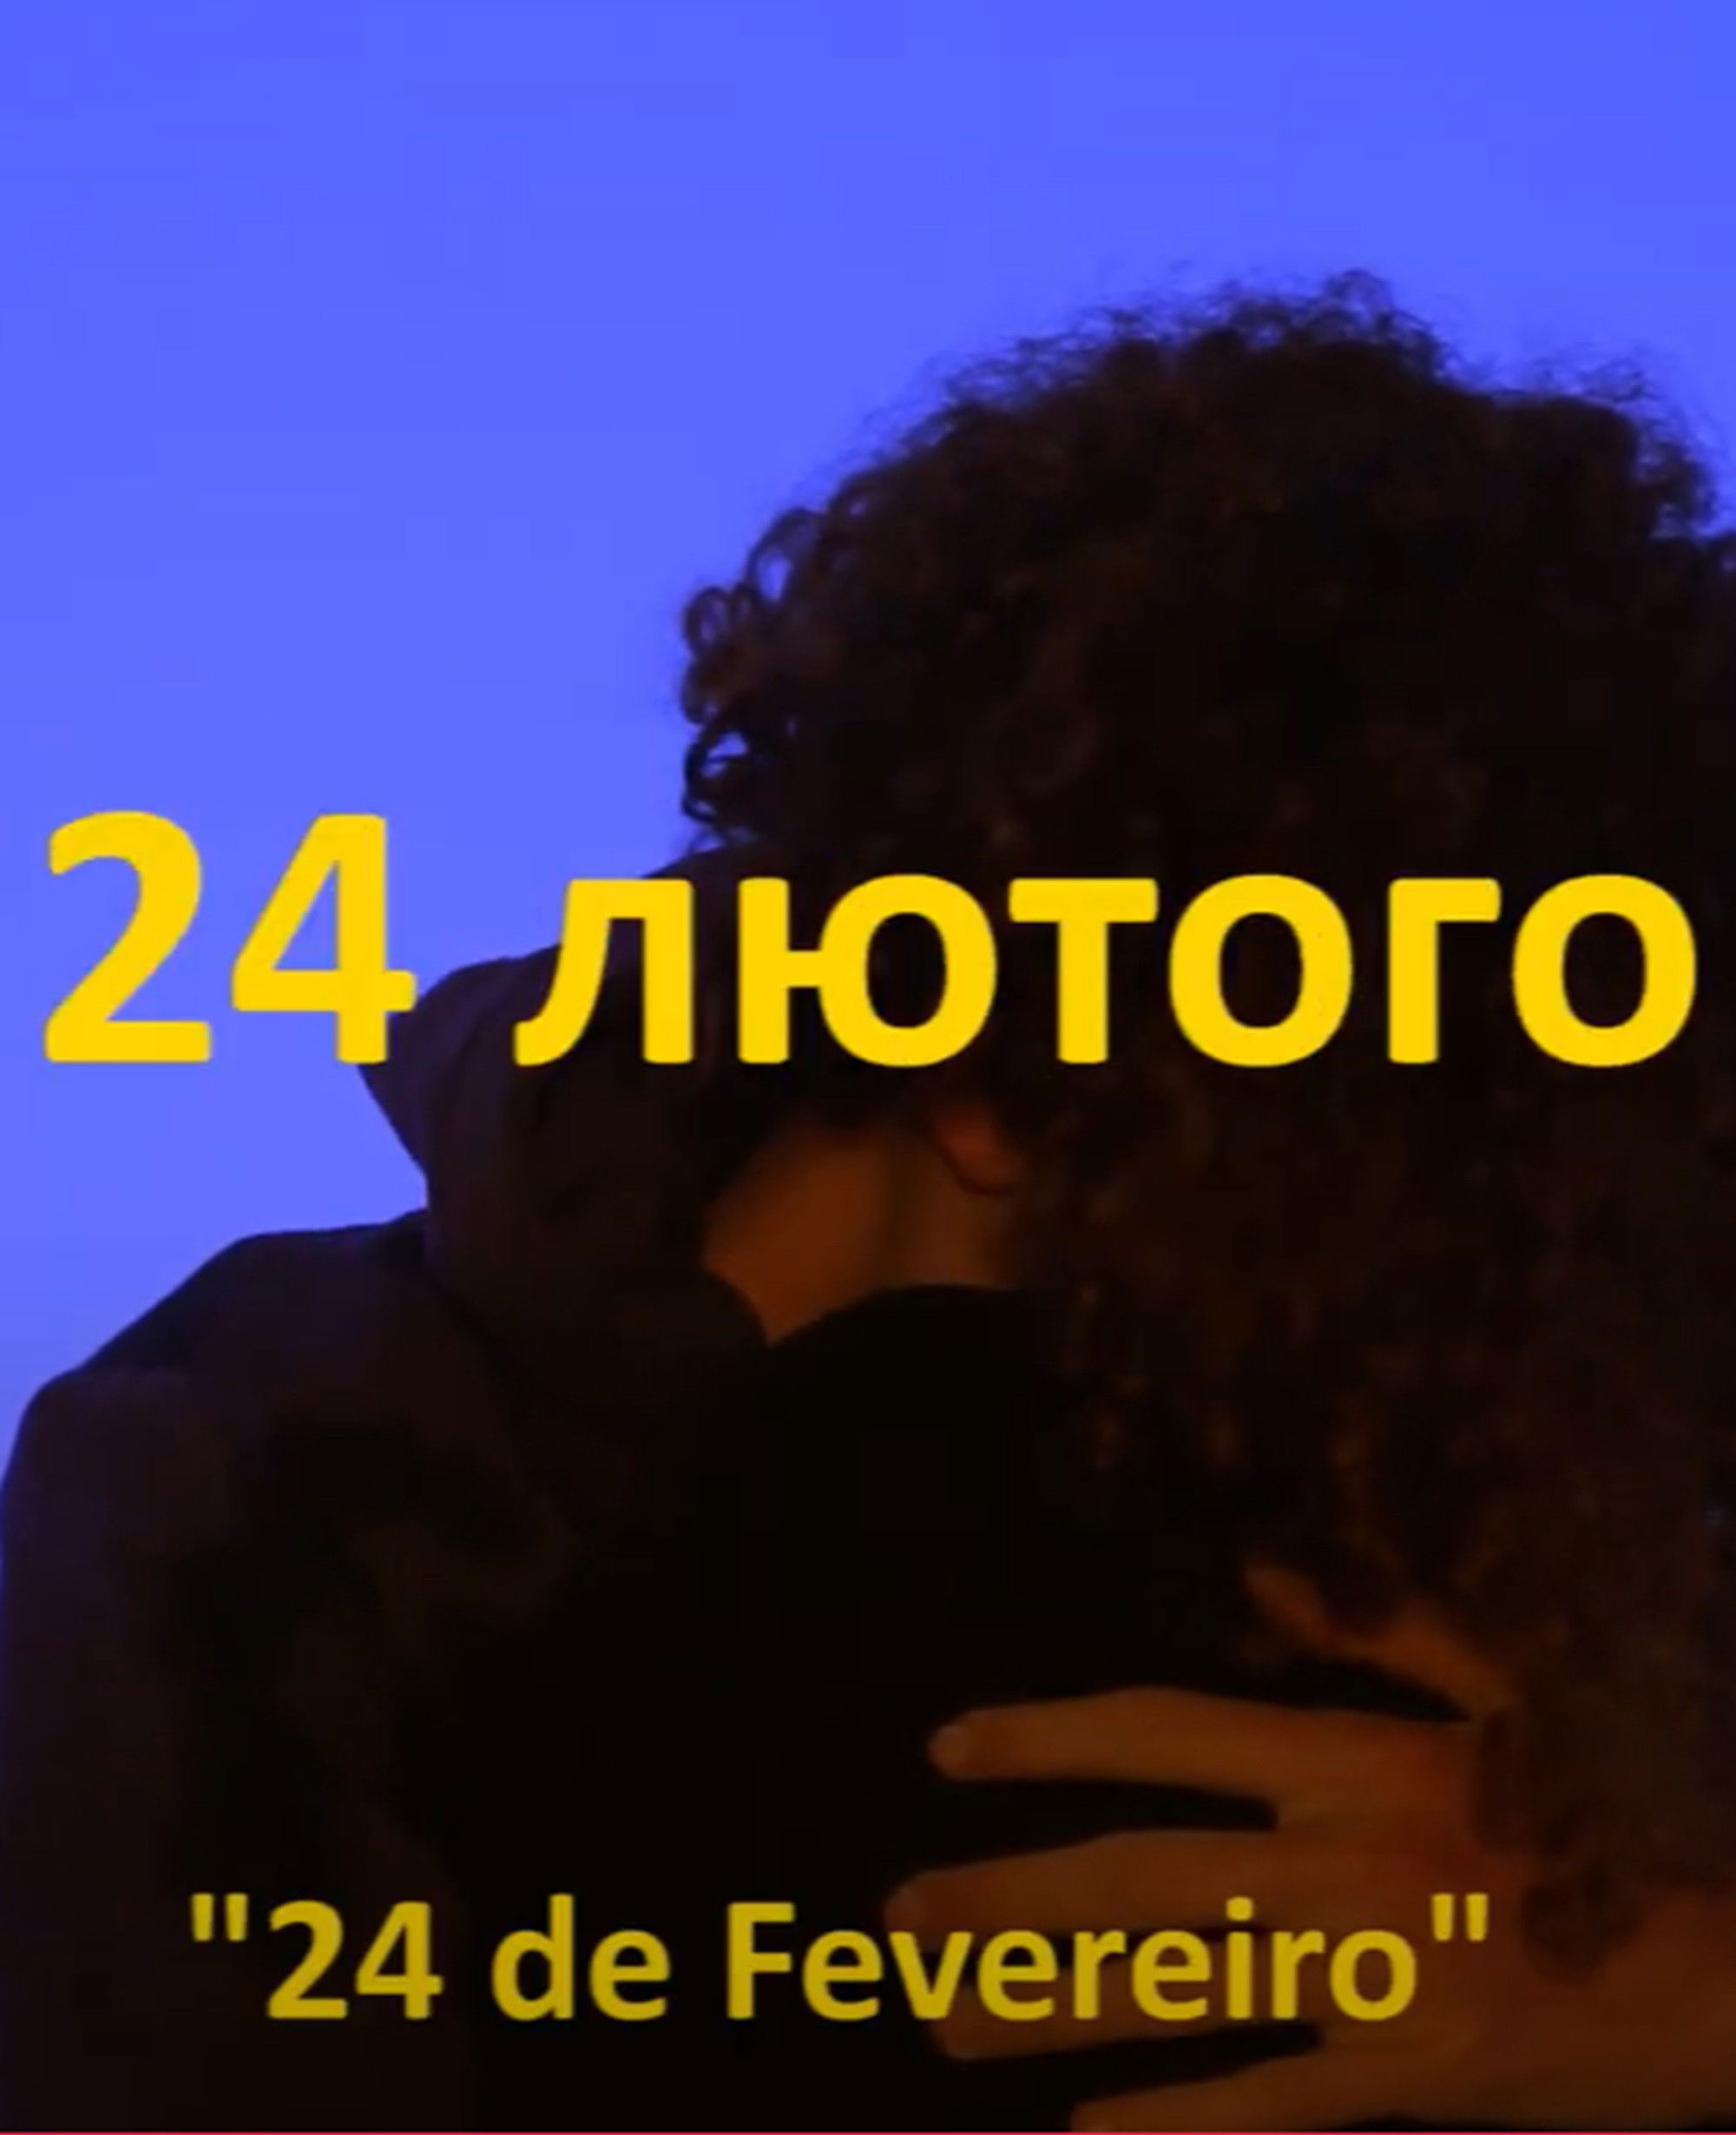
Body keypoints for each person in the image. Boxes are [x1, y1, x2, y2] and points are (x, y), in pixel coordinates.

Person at [4, 274, 1736, 2129]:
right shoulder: (248, 1541)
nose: (1557, 1301)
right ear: (1008, 1078)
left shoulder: (1542, 1561)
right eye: (1481, 1160)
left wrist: (1685, 2009)